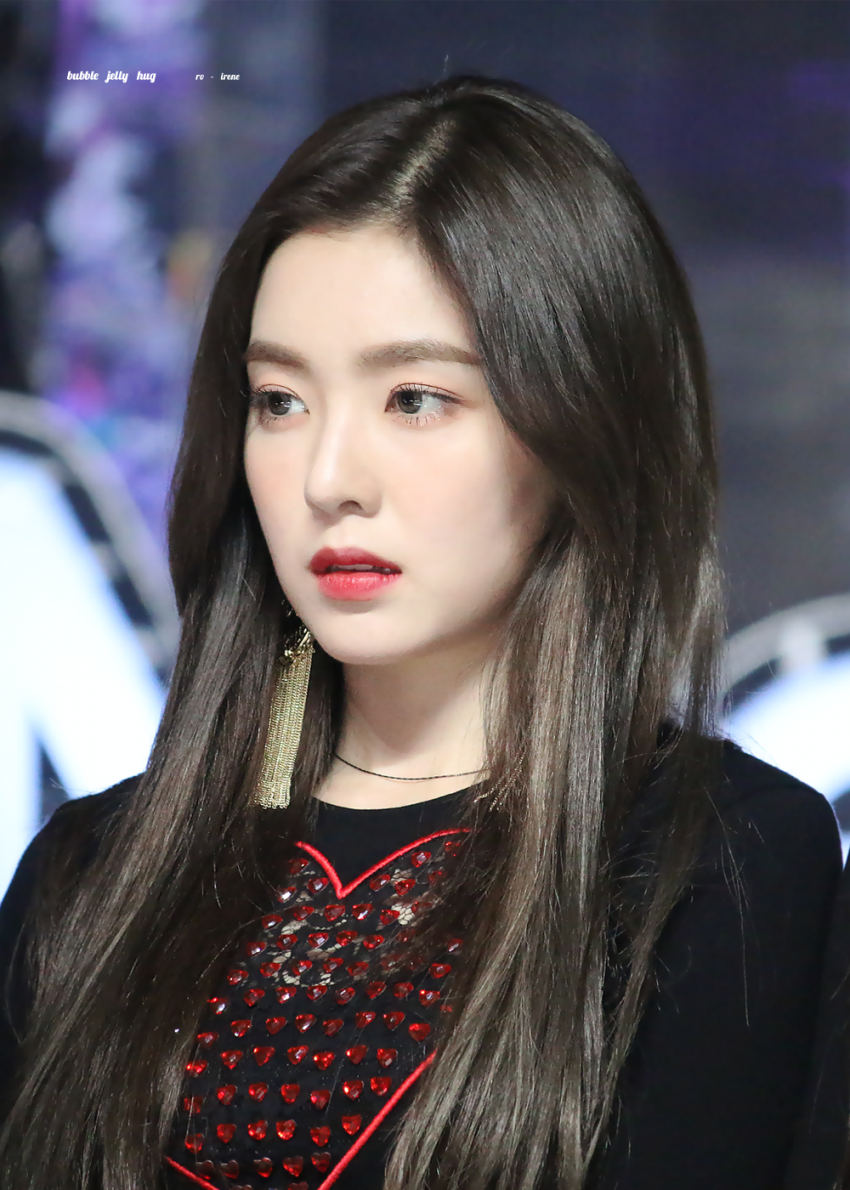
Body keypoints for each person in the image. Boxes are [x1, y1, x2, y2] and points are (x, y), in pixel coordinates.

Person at [0, 74, 843, 1190]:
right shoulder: (87, 877)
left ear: (581, 423)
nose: (329, 478)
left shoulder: (719, 864)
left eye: (414, 398)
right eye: (280, 400)